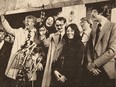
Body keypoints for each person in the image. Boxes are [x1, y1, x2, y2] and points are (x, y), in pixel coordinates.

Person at [0, 10, 37, 80]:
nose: (26, 22)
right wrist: (2, 18)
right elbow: (9, 29)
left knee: (27, 80)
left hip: (29, 61)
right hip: (17, 60)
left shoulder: (37, 34)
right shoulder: (19, 31)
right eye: (25, 21)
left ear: (34, 23)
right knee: (15, 79)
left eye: (29, 21)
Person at [86, 6, 116, 87]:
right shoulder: (94, 28)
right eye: (91, 12)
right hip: (93, 71)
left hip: (107, 72)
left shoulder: (113, 26)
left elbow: (112, 51)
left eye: (94, 11)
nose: (92, 14)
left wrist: (94, 64)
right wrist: (90, 64)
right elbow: (89, 48)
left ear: (102, 13)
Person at [41, 17, 66, 87]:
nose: (59, 27)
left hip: (62, 64)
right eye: (57, 25)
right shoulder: (52, 35)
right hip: (52, 62)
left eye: (61, 25)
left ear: (65, 24)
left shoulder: (68, 36)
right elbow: (46, 44)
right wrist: (43, 35)